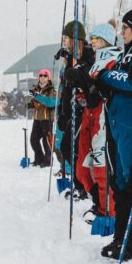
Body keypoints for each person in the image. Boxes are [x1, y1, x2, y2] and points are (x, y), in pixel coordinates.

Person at [95, 7, 132, 260]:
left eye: (126, 29)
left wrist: (105, 76)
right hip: (116, 126)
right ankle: (121, 236)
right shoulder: (125, 55)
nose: (122, 33)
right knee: (119, 183)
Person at [65, 23, 119, 220]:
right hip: (90, 112)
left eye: (96, 39)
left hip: (103, 114)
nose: (92, 43)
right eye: (92, 39)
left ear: (104, 39)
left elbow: (103, 81)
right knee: (82, 166)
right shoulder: (97, 58)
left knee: (101, 165)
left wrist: (85, 79)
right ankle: (98, 201)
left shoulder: (113, 57)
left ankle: (109, 212)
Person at [57, 20, 92, 199]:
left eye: (67, 38)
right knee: (66, 147)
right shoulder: (70, 57)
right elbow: (65, 89)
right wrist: (62, 114)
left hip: (84, 111)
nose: (64, 41)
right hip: (70, 110)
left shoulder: (86, 56)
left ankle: (84, 187)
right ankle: (80, 185)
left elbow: (87, 78)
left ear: (74, 39)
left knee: (76, 149)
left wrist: (76, 71)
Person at [29, 69, 56, 166]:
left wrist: (37, 96)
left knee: (46, 141)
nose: (42, 77)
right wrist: (30, 103)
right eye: (41, 75)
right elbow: (34, 102)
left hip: (47, 119)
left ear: (48, 78)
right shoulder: (36, 89)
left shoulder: (51, 89)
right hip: (37, 119)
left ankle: (48, 161)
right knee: (33, 140)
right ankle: (39, 158)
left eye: (45, 76)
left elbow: (50, 102)